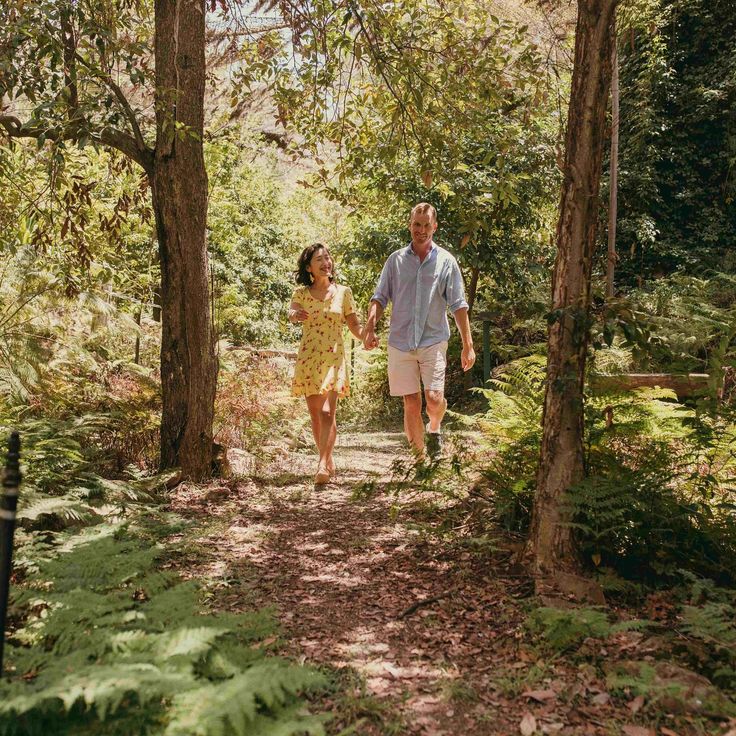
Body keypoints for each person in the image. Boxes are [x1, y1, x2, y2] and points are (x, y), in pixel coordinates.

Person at [362, 203, 475, 457]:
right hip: (400, 342)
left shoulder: (446, 262)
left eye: (426, 225)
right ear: (409, 225)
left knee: (434, 399)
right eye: (417, 224)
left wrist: (468, 344)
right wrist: (370, 327)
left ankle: (434, 427)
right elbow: (379, 297)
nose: (421, 230)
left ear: (435, 227)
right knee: (411, 402)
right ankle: (419, 461)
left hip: (433, 340)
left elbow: (458, 304)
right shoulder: (396, 260)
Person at [288, 243, 364, 484]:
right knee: (314, 414)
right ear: (309, 267)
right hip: (309, 357)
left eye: (328, 258)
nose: (325, 263)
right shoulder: (300, 294)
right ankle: (327, 458)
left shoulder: (344, 292)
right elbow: (291, 312)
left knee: (327, 411)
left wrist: (367, 337)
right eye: (319, 260)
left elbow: (353, 324)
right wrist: (294, 315)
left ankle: (321, 464)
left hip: (333, 357)